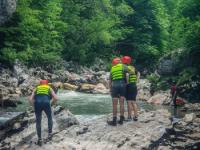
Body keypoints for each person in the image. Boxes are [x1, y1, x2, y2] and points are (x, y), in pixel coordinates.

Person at [29, 80, 58, 146]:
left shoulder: (36, 88)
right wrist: (51, 104)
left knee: (38, 121)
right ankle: (50, 135)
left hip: (37, 104)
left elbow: (30, 99)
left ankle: (40, 139)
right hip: (46, 103)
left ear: (40, 84)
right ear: (47, 84)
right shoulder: (49, 88)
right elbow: (56, 98)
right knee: (49, 118)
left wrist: (33, 107)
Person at [107, 57, 135, 126]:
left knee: (114, 104)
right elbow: (132, 72)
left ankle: (114, 121)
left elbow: (110, 80)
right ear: (119, 62)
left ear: (114, 63)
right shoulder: (123, 66)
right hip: (122, 85)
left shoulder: (112, 68)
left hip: (115, 86)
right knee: (122, 103)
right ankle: (121, 120)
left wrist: (110, 89)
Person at [121, 56, 140, 121]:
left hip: (129, 86)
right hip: (134, 85)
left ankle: (129, 116)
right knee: (134, 101)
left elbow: (127, 75)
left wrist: (127, 82)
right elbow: (139, 73)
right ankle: (136, 116)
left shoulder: (126, 68)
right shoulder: (132, 67)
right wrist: (137, 81)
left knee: (129, 102)